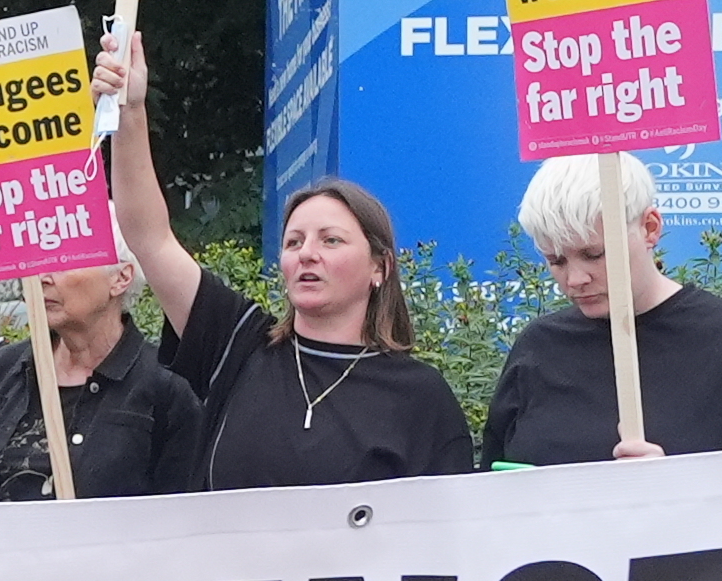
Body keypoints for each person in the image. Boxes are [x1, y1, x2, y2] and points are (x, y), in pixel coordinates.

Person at [100, 32, 479, 490]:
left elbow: (447, 540)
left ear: (380, 267)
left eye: (332, 240)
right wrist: (130, 112)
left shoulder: (421, 398)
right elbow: (149, 236)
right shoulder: (236, 346)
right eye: (294, 241)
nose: (307, 254)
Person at [479, 161, 722, 463]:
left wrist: (670, 488)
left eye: (594, 254)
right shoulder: (538, 348)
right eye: (556, 261)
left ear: (650, 228)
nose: (575, 279)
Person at [0, 260, 192, 499]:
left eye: (62, 263)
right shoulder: (0, 370)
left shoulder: (165, 385)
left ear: (120, 278)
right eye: (35, 263)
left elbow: (181, 513)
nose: (41, 277)